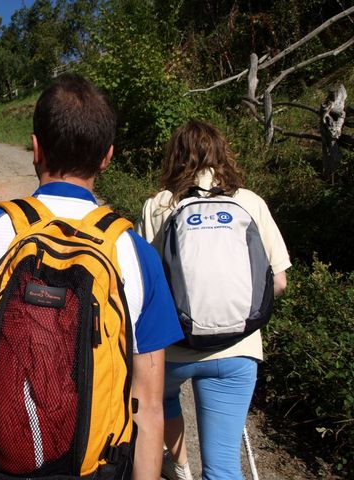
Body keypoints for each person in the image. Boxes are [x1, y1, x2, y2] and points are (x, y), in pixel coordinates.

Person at [0, 73, 184, 479]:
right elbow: (146, 405)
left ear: (35, 148)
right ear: (107, 156)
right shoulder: (137, 253)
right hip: (91, 468)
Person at [137, 120, 291, 480]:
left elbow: (146, 283)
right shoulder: (250, 201)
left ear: (174, 157)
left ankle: (179, 465)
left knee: (164, 398)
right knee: (223, 469)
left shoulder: (158, 205)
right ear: (222, 153)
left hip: (175, 348)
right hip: (238, 350)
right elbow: (279, 281)